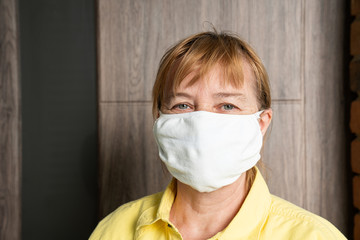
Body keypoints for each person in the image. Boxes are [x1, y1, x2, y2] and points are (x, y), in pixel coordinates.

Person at [89, 31, 346, 239]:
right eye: (183, 105)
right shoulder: (113, 231)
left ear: (261, 123)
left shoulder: (314, 236)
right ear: (160, 121)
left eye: (227, 106)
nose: (201, 123)